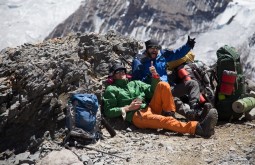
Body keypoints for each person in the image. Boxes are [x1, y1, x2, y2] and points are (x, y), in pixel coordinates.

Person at [103, 63, 218, 138]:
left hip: (150, 107)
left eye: (123, 70)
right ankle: (199, 128)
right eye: (118, 72)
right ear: (113, 76)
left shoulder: (134, 83)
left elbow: (152, 90)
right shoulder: (111, 89)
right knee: (164, 121)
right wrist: (128, 108)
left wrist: (154, 76)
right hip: (137, 116)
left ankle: (170, 114)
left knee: (163, 84)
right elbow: (108, 111)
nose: (122, 73)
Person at [131, 36, 205, 121]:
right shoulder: (141, 62)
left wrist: (188, 45)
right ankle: (191, 115)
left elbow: (176, 53)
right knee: (172, 100)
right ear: (147, 49)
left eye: (156, 48)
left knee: (192, 84)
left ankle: (195, 108)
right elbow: (136, 81)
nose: (154, 50)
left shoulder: (162, 56)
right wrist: (148, 78)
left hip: (168, 88)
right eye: (151, 48)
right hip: (154, 93)